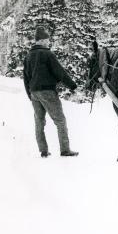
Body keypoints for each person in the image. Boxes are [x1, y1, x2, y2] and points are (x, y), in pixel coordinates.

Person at [23, 26, 79, 157]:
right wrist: (73, 86)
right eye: (47, 40)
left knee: (39, 122)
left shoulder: (28, 56)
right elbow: (60, 73)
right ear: (42, 40)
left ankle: (43, 151)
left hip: (34, 93)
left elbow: (26, 78)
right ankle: (65, 150)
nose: (49, 42)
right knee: (60, 121)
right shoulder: (48, 54)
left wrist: (30, 95)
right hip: (48, 91)